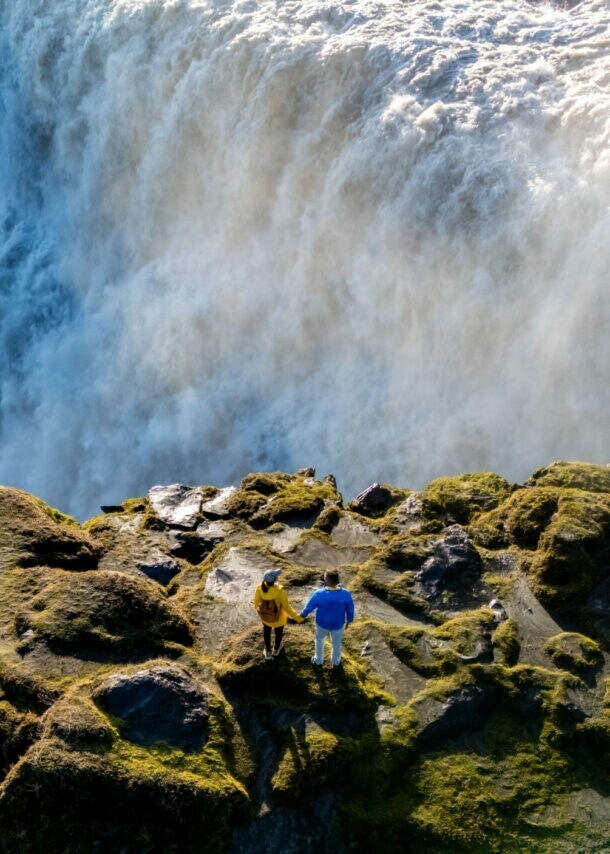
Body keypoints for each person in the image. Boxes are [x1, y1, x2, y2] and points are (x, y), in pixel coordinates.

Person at [299, 570, 354, 668]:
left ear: (327, 580)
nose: (324, 578)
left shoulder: (319, 593)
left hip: (322, 624)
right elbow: (350, 609)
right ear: (337, 580)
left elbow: (309, 607)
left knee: (319, 641)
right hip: (338, 624)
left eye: (325, 577)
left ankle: (318, 661)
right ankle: (336, 663)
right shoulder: (345, 594)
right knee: (336, 643)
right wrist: (349, 620)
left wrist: (301, 616)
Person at [253, 568, 303, 661]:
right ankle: (276, 649)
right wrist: (298, 618)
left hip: (266, 618)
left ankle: (268, 651)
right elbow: (287, 607)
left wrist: (260, 612)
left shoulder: (259, 588)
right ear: (275, 580)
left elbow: (256, 603)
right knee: (278, 633)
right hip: (279, 619)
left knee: (266, 632)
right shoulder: (280, 591)